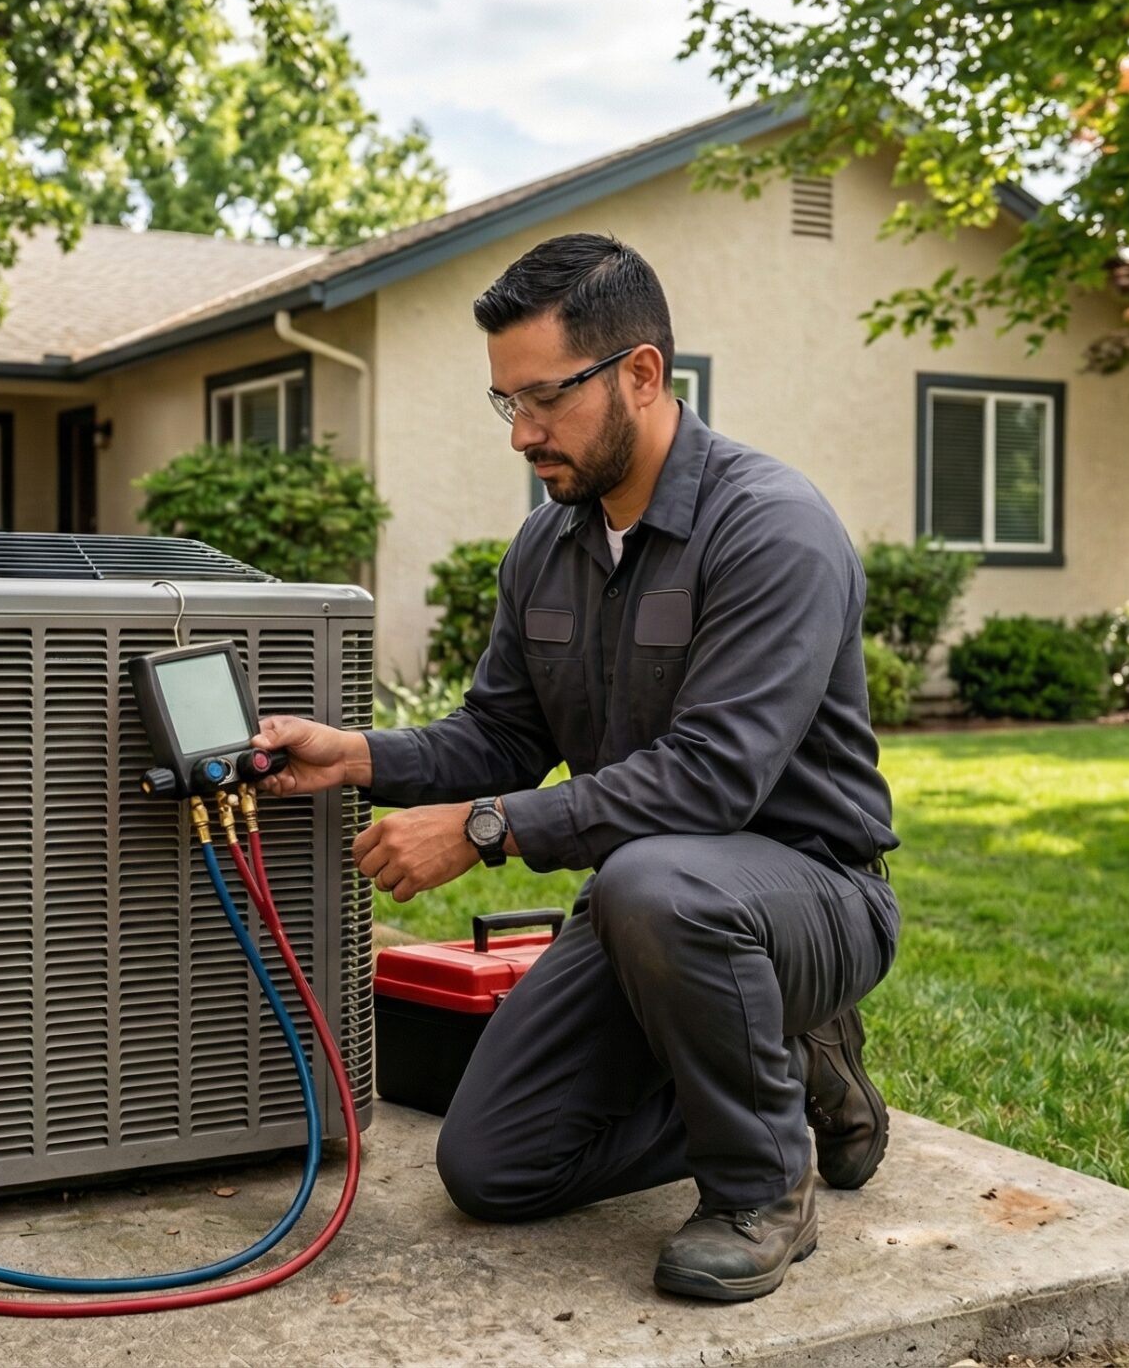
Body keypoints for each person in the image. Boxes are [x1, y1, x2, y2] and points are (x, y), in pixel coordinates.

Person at [253, 232, 900, 1303]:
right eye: (505, 403)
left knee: (654, 881)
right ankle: (773, 1076)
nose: (522, 433)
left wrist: (482, 829)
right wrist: (358, 754)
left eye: (544, 399)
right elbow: (502, 735)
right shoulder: (548, 546)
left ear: (641, 373)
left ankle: (760, 1189)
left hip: (811, 895)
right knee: (492, 1165)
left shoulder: (770, 529)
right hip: (659, 911)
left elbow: (708, 782)